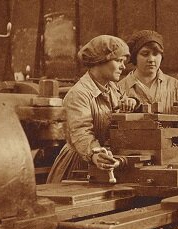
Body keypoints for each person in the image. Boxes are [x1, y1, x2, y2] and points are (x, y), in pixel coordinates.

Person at [46, 35, 136, 183]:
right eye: (118, 61)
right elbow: (81, 133)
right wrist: (95, 154)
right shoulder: (78, 95)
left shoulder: (112, 88)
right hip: (79, 165)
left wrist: (131, 102)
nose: (123, 66)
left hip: (105, 162)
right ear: (99, 61)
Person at [117, 30, 178, 116]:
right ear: (134, 57)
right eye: (145, 54)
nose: (151, 59)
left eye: (156, 54)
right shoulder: (119, 89)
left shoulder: (175, 87)